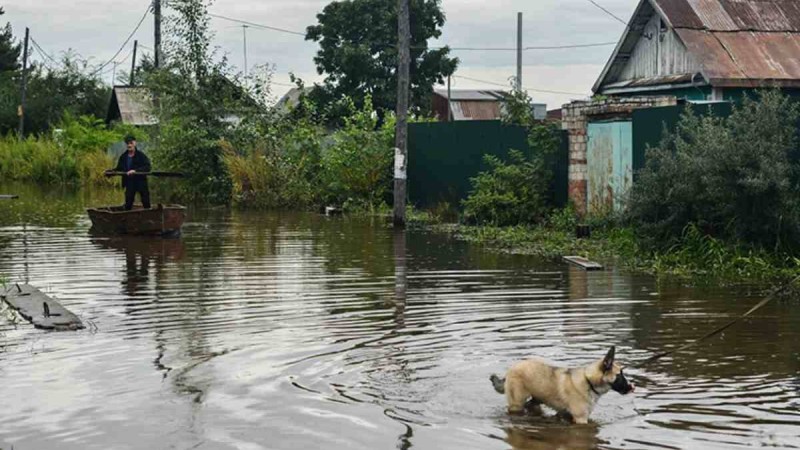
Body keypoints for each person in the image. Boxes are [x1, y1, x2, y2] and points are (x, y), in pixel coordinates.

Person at [112, 135, 152, 210]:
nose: (129, 145)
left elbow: (147, 167)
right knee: (128, 202)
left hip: (140, 181)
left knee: (145, 201)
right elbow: (119, 169)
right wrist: (110, 172)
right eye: (128, 143)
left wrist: (135, 171)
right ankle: (127, 217)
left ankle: (149, 214)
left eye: (131, 143)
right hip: (129, 182)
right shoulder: (123, 157)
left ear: (135, 143)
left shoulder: (141, 155)